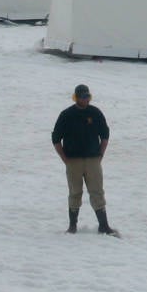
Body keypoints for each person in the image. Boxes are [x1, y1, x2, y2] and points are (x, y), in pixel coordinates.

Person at [51, 84, 116, 235]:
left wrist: (100, 154)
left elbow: (105, 134)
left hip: (93, 159)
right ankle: (72, 226)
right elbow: (55, 138)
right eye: (82, 97)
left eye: (87, 96)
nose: (85, 99)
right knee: (75, 192)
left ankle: (104, 226)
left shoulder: (95, 113)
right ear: (76, 97)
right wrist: (64, 158)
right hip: (73, 161)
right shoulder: (66, 115)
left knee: (97, 191)